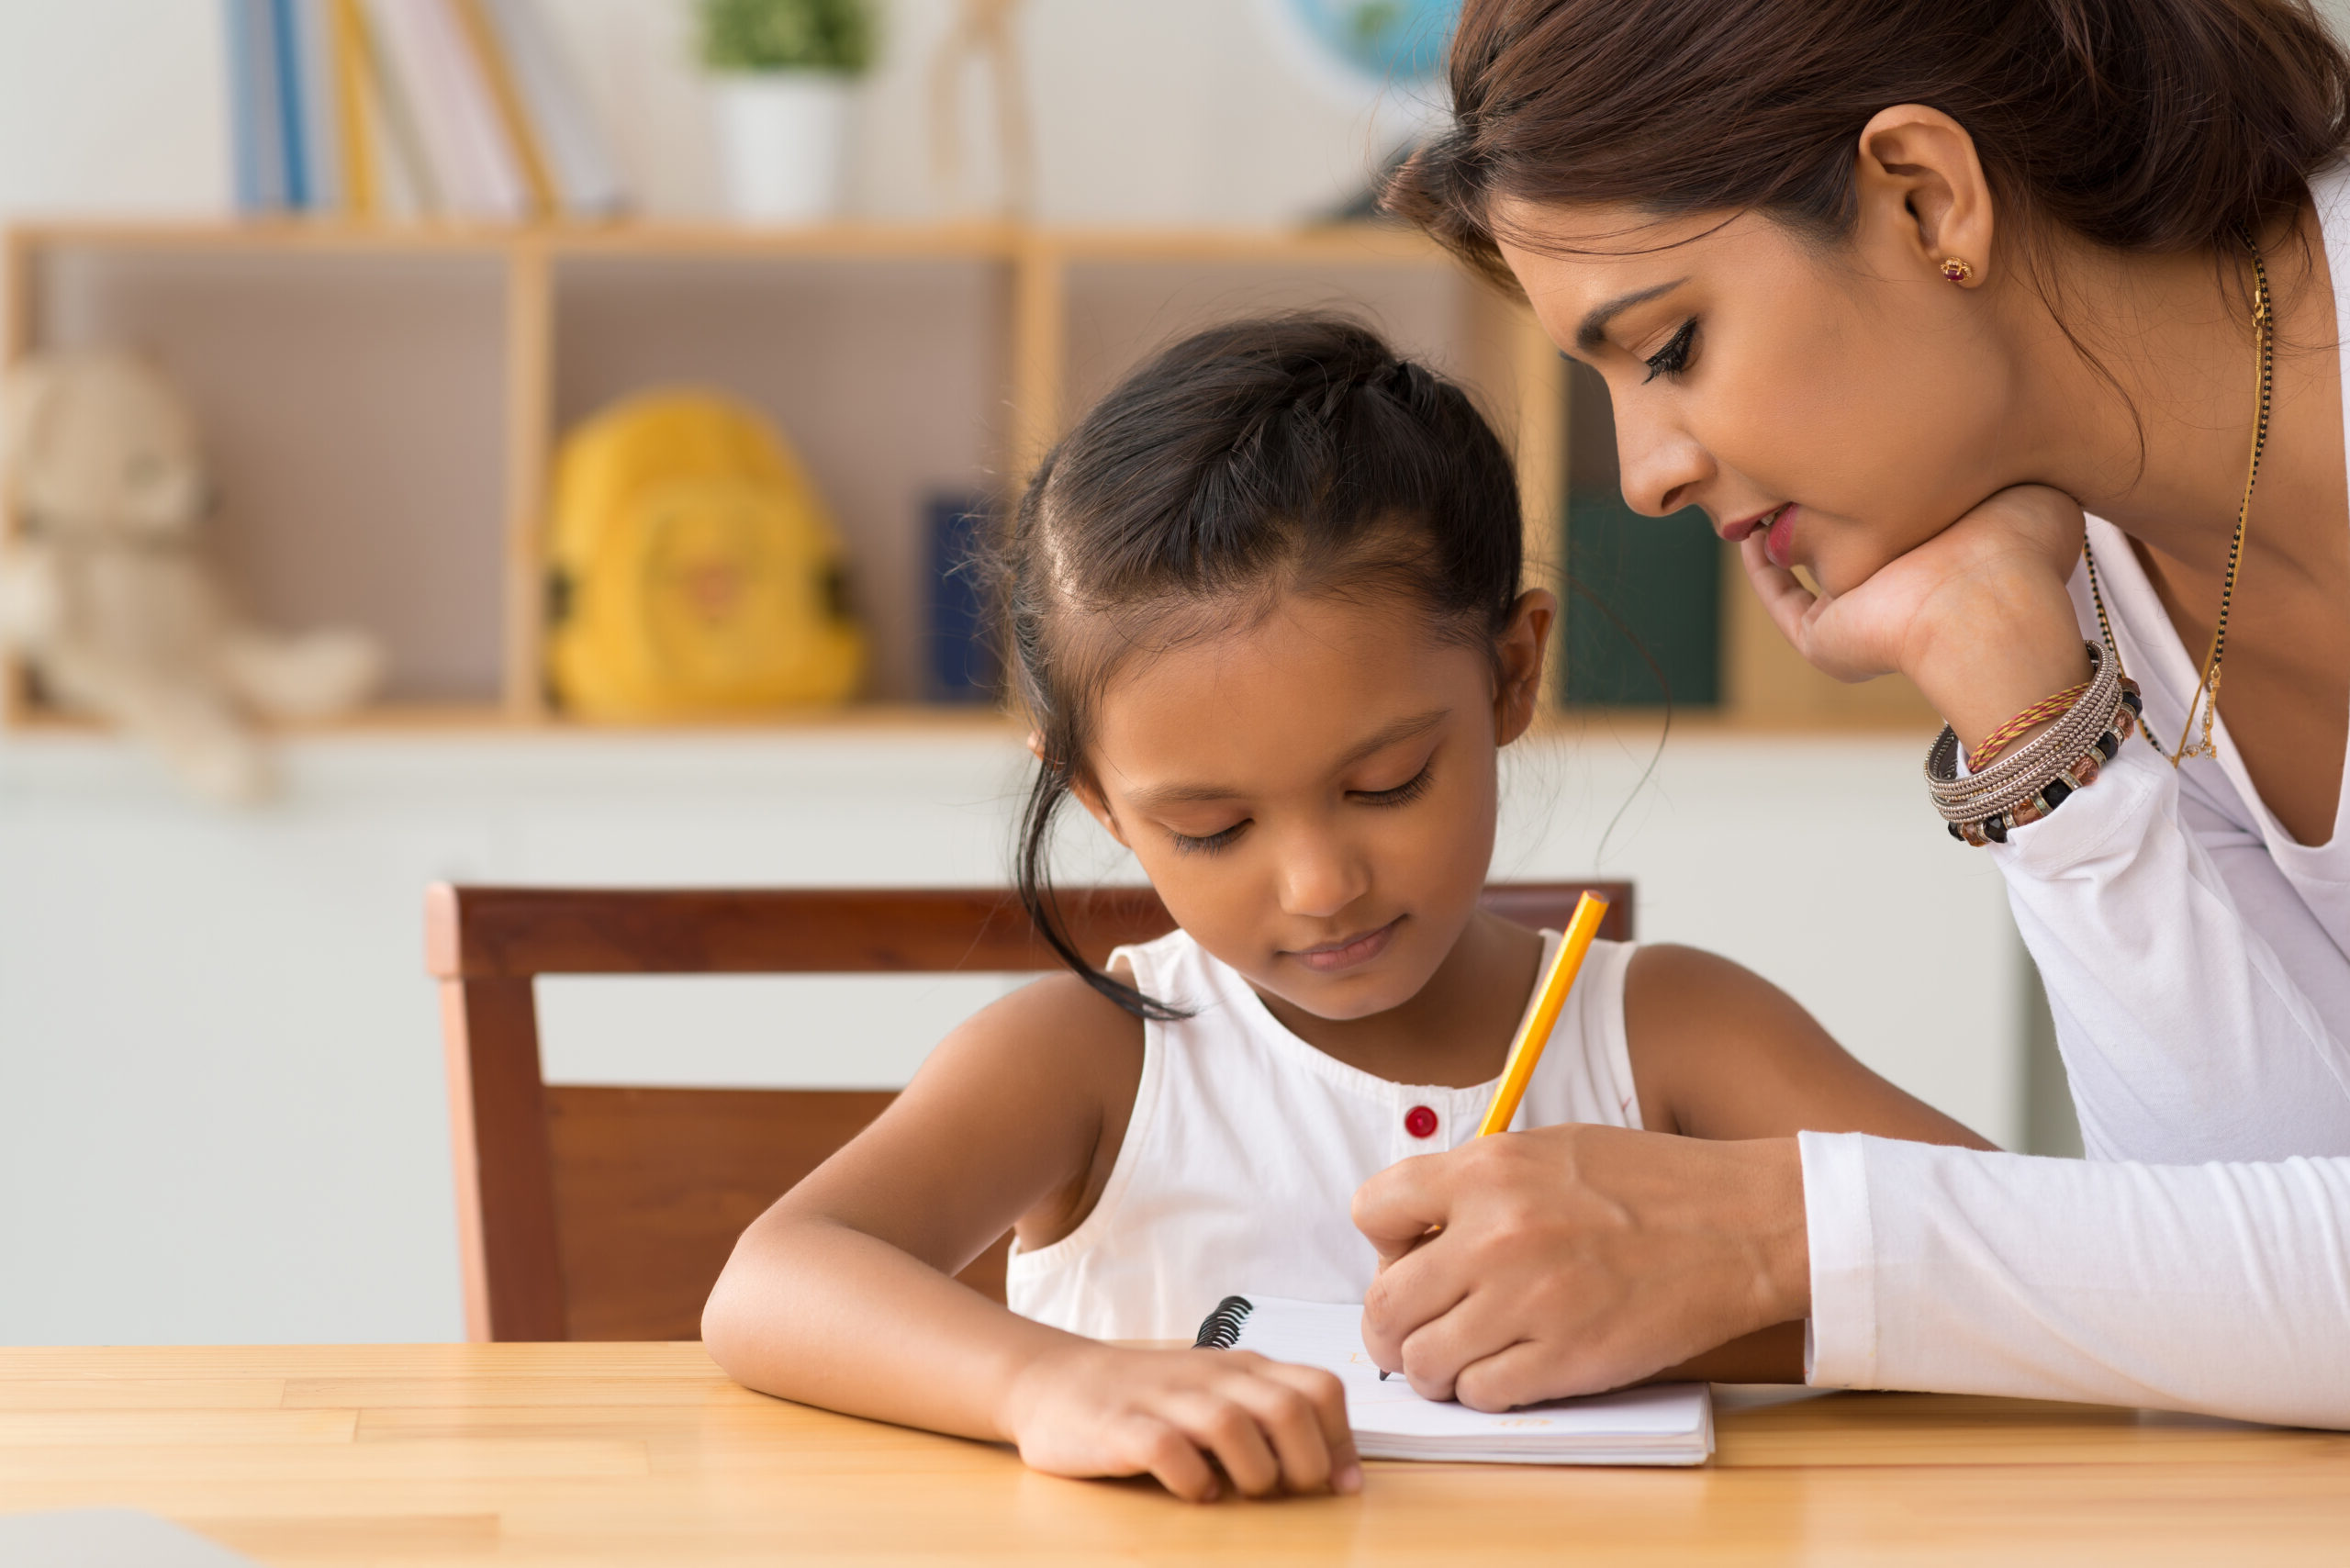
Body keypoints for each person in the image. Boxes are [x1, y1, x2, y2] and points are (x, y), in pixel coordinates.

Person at [700, 316, 1988, 1500]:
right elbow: (772, 1284)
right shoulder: (1094, 1058)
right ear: (1097, 800)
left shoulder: (1670, 1030)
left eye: (1387, 783)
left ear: (1511, 675)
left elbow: (2029, 1266)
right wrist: (1045, 1381)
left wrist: (1713, 1289)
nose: (1320, 885)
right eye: (1211, 830)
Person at [1355, 0, 2350, 1427]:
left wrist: (1780, 1232)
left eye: (1672, 346)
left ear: (1924, 195)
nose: (1645, 475)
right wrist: (2029, 717)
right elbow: (2254, 1291)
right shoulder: (2077, 550)